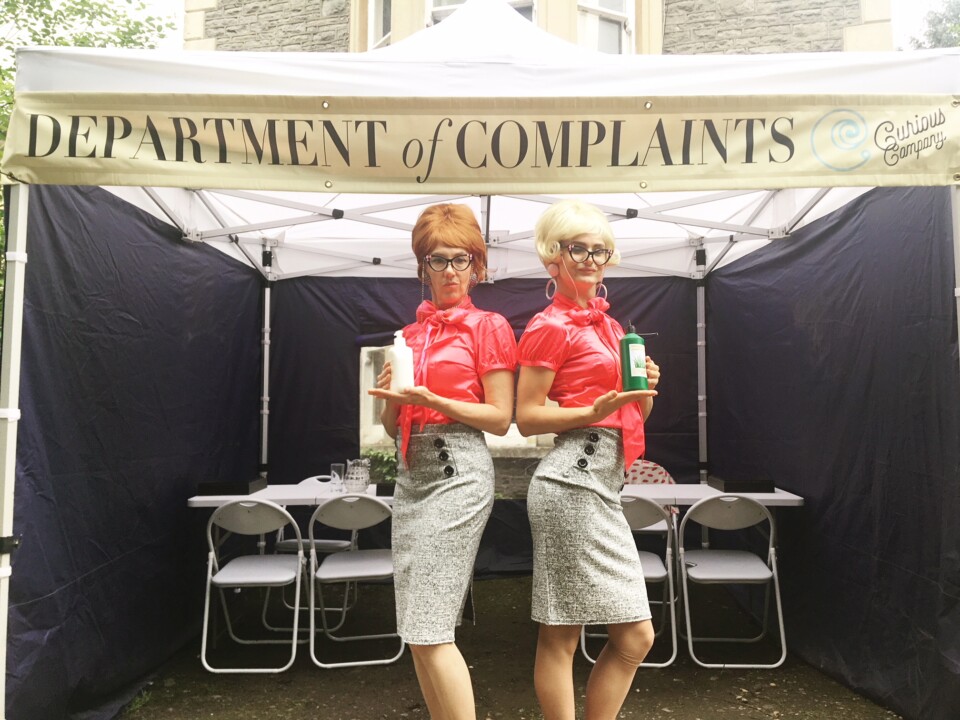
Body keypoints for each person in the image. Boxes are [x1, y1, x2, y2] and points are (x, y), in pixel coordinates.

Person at [369, 203, 517, 720]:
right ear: (422, 267)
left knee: (431, 629)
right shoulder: (408, 337)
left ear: (477, 266)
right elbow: (392, 427)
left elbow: (500, 417)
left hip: (458, 474)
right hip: (411, 477)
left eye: (461, 259)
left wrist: (435, 400)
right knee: (415, 630)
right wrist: (392, 399)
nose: (450, 271)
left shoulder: (489, 326)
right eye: (438, 260)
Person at [515, 199, 661, 720]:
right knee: (562, 633)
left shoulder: (612, 328)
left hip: (603, 483)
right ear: (551, 257)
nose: (591, 260)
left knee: (635, 637)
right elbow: (526, 417)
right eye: (578, 249)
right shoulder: (549, 325)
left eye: (600, 250)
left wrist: (644, 389)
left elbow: (633, 415)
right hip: (570, 482)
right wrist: (590, 411)